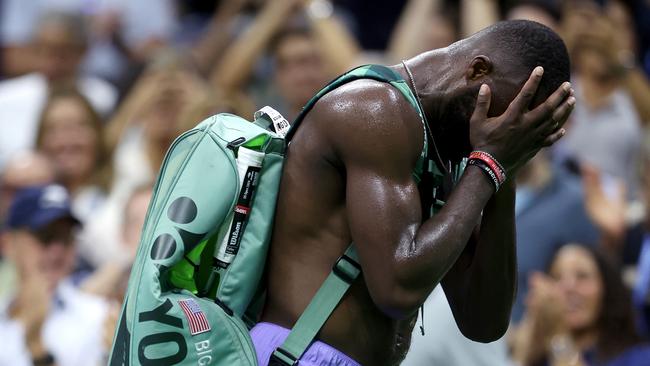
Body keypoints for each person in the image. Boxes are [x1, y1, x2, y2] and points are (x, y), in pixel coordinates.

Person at [254, 20, 574, 366]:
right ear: (478, 70)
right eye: (507, 115)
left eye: (519, 129)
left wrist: (506, 170)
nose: (504, 131)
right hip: (298, 355)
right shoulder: (375, 110)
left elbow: (483, 322)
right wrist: (492, 162)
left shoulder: (445, 147)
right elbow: (396, 288)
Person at [0, 184, 108, 366]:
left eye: (66, 238)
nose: (57, 251)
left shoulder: (99, 317)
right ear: (8, 244)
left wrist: (37, 347)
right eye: (45, 236)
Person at [511, 243, 650, 366]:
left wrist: (558, 335)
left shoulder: (638, 357)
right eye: (557, 277)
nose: (568, 286)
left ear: (607, 289)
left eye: (582, 276)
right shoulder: (542, 358)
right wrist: (533, 321)